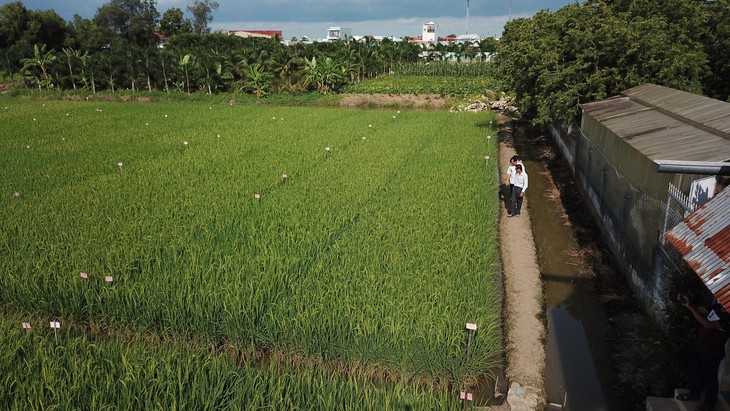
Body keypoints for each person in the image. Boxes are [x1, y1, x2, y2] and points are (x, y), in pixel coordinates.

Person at [676, 293, 730, 411]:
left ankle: (709, 404)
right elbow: (702, 310)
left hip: (713, 352)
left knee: (710, 379)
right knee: (696, 372)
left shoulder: (728, 318)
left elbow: (707, 324)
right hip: (701, 346)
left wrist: (690, 309)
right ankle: (694, 394)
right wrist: (689, 304)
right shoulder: (718, 307)